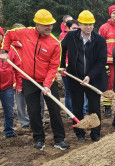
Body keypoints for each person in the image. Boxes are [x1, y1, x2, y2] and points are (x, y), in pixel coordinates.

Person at [0, 9, 69, 150]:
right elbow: (8, 35)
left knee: (55, 110)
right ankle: (38, 139)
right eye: (46, 25)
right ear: (37, 24)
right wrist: (4, 51)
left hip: (48, 81)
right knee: (33, 111)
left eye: (51, 24)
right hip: (28, 80)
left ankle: (59, 139)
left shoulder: (55, 44)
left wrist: (47, 84)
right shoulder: (25, 33)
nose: (50, 27)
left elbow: (53, 67)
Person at [60, 10, 108, 141]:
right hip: (75, 78)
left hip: (93, 79)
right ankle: (79, 132)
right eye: (86, 24)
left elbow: (101, 61)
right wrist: (62, 64)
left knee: (94, 107)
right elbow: (61, 48)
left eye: (91, 24)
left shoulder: (100, 40)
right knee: (77, 106)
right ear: (79, 24)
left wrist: (90, 76)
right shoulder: (71, 36)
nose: (89, 27)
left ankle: (95, 133)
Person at [99, 5, 115, 117]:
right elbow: (99, 45)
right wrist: (103, 62)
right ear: (110, 14)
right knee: (108, 85)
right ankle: (107, 107)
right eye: (113, 13)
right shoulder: (104, 28)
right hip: (108, 62)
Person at [0, 26, 22, 138]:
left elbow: (18, 69)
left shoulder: (11, 50)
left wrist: (19, 85)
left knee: (9, 111)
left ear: (2, 36)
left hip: (7, 86)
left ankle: (9, 131)